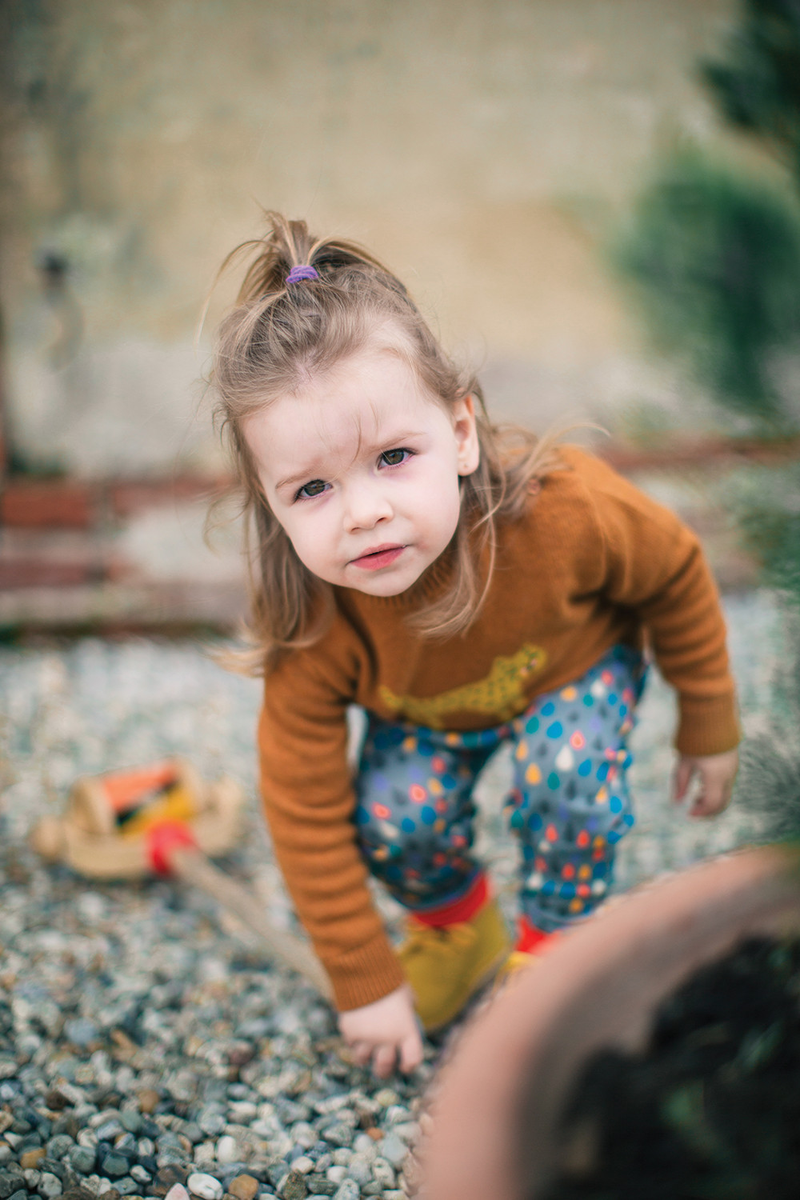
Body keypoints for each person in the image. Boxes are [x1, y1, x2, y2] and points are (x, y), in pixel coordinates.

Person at [211, 213, 740, 1079]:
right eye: (311, 487)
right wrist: (363, 979)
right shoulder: (316, 618)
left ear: (459, 433)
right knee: (393, 813)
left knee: (567, 782)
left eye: (391, 457)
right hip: (431, 716)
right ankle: (459, 928)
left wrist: (708, 722)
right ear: (270, 504)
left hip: (571, 674)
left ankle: (553, 955)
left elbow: (674, 571)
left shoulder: (563, 514)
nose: (363, 511)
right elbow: (302, 805)